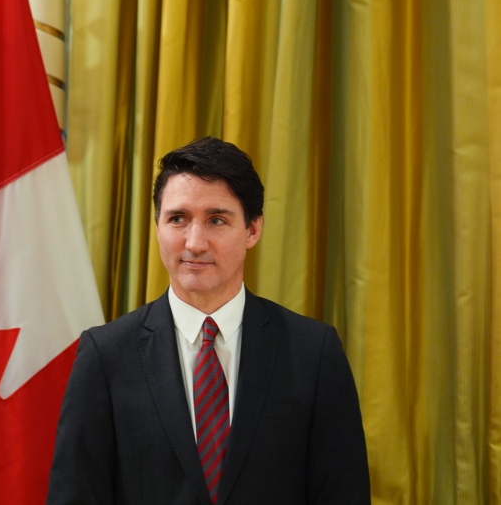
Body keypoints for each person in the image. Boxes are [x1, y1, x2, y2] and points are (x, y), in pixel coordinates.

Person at [47, 137, 370, 504]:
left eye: (216, 220)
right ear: (157, 227)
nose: (194, 243)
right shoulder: (104, 355)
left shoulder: (314, 353)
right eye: (177, 219)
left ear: (253, 230)